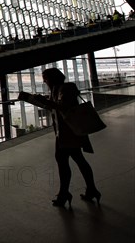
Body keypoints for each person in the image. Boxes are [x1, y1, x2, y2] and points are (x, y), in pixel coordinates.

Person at [18, 67, 100, 208]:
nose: (45, 82)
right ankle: (88, 190)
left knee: (64, 162)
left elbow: (63, 107)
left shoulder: (65, 89)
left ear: (53, 78)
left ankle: (65, 193)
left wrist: (42, 100)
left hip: (69, 132)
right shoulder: (60, 89)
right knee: (78, 160)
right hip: (67, 132)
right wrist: (39, 100)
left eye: (46, 79)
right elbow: (57, 107)